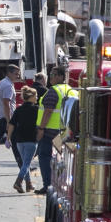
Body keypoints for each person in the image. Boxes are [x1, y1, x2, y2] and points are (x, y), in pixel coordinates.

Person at [34, 66, 72, 195]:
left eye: (54, 74)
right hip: (66, 132)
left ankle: (48, 185)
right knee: (63, 159)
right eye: (50, 74)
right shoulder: (72, 91)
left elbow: (48, 111)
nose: (51, 77)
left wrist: (41, 129)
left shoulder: (53, 91)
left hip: (50, 133)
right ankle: (62, 185)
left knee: (44, 156)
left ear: (61, 77)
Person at [7, 86, 39, 193]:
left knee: (25, 163)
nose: (37, 98)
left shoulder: (19, 109)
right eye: (36, 96)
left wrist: (8, 137)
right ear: (31, 97)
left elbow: (11, 124)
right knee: (26, 164)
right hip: (31, 139)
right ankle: (18, 181)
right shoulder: (37, 109)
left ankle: (28, 184)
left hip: (19, 140)